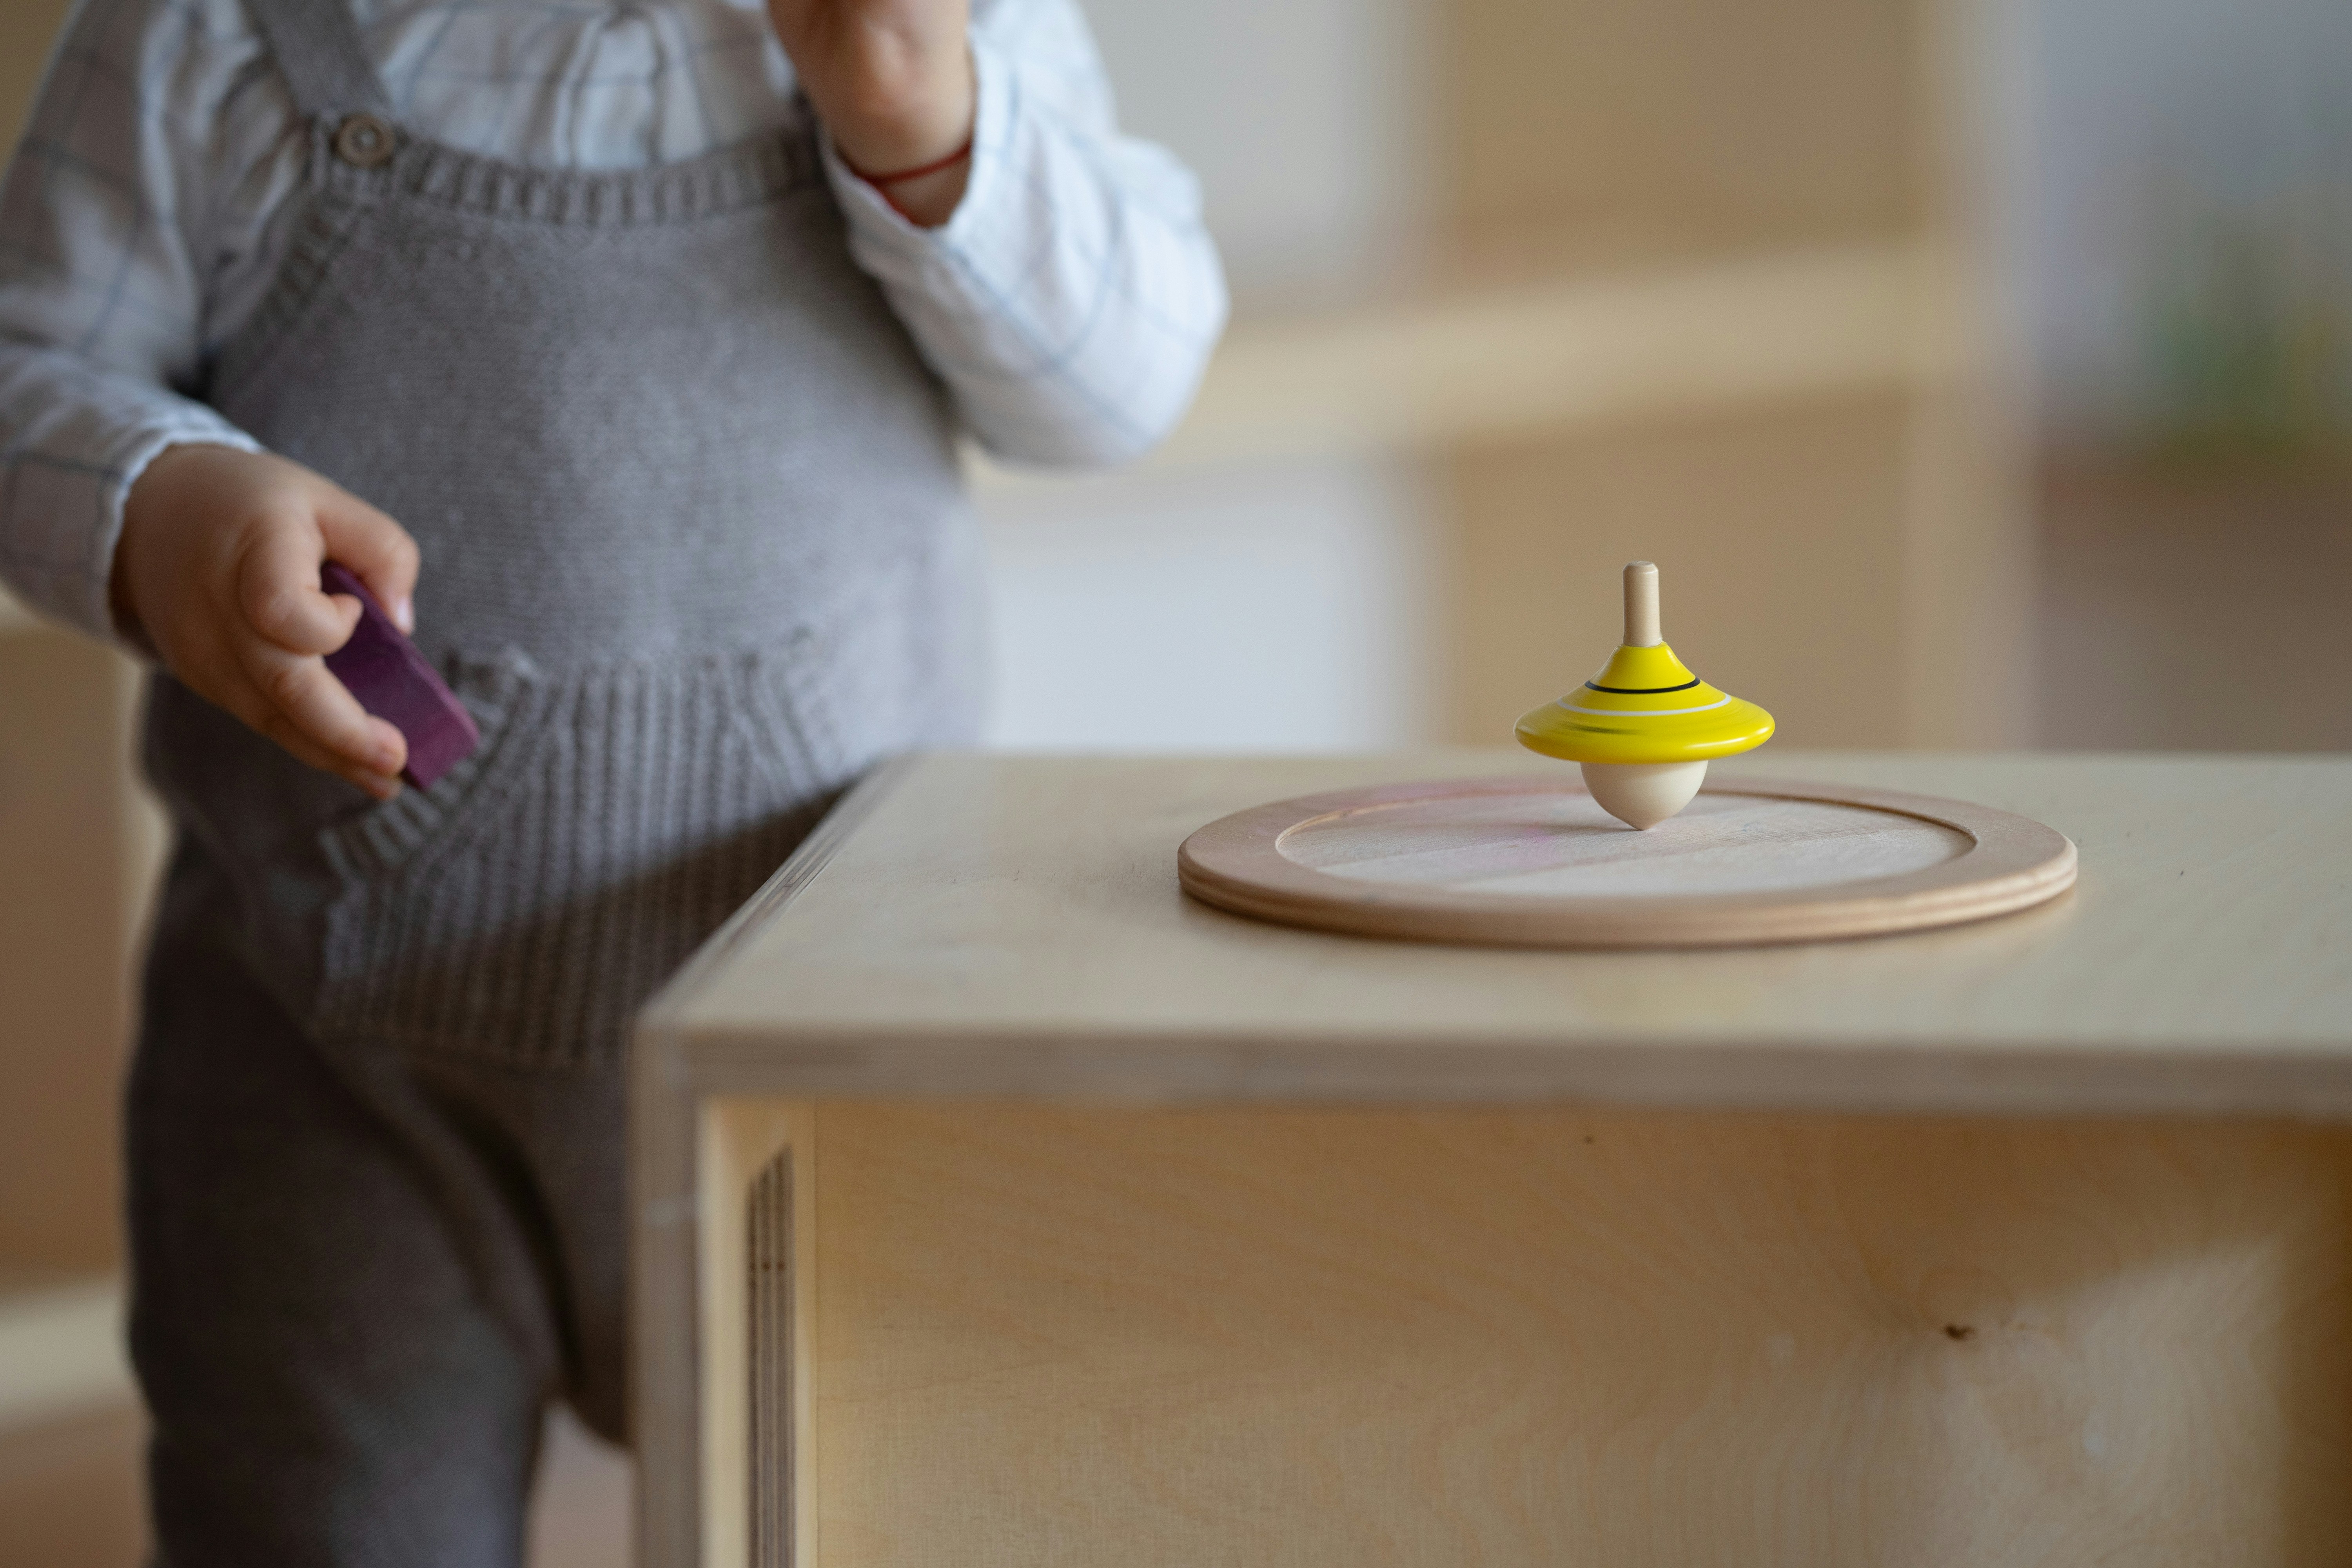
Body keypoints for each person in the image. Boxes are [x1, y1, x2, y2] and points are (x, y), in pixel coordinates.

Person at [0, 0, 1224, 1559]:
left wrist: (927, 120)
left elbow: (1125, 387)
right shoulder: (219, 32)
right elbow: (27, 359)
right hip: (339, 1065)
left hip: (828, 1060)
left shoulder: (945, 23)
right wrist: (163, 503)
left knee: (861, 1514)